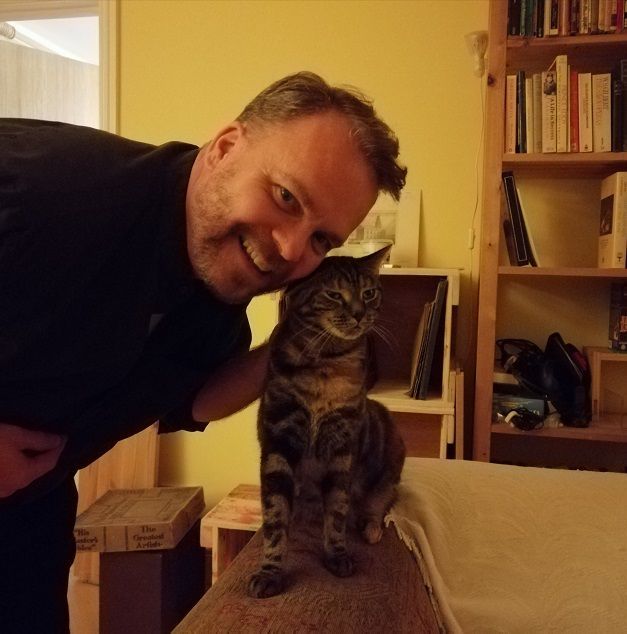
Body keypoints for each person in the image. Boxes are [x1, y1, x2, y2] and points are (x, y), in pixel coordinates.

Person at [0, 71, 406, 632]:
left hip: (29, 527)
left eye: (320, 240)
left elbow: (194, 400)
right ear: (225, 148)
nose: (290, 249)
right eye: (286, 197)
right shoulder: (45, 185)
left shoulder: (216, 304)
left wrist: (294, 341)